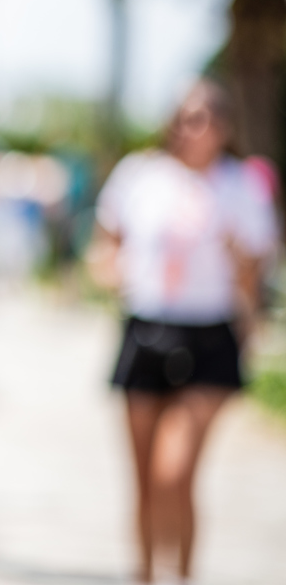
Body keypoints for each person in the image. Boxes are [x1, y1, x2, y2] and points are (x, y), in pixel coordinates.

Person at [87, 79, 279, 584]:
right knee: (145, 480)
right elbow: (104, 244)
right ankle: (146, 574)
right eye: (191, 116)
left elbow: (254, 273)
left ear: (226, 126)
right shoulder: (140, 175)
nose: (201, 127)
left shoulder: (240, 185)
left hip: (210, 334)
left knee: (175, 473)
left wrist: (239, 259)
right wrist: (111, 270)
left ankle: (184, 575)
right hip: (147, 326)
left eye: (212, 117)